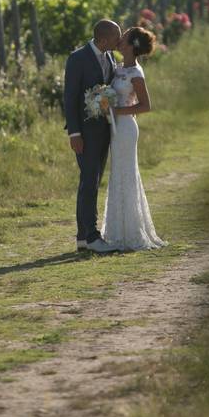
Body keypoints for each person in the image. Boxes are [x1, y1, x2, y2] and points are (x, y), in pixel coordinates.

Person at [100, 27, 167, 251]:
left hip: (126, 129)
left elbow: (145, 106)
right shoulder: (119, 68)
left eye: (124, 37)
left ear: (131, 45)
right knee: (117, 173)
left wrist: (117, 111)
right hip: (115, 127)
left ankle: (130, 232)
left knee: (126, 174)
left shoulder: (136, 73)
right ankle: (116, 230)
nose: (119, 40)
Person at [63, 19, 122, 253]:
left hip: (104, 131)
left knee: (93, 181)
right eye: (116, 38)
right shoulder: (77, 58)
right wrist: (75, 133)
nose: (119, 42)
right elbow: (70, 97)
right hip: (85, 133)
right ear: (103, 39)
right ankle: (92, 235)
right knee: (89, 181)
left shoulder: (110, 57)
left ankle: (82, 237)